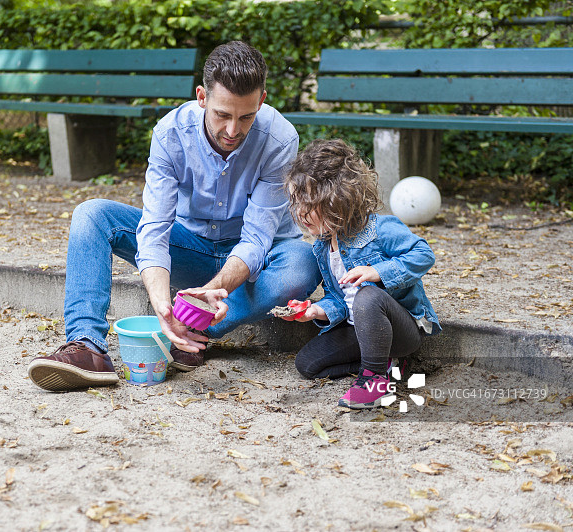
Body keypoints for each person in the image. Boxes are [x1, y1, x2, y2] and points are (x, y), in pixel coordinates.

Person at [28, 41, 322, 392]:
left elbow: (257, 239)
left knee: (304, 262)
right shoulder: (170, 134)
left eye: (245, 117)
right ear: (202, 97)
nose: (232, 130)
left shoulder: (279, 137)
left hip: (255, 266)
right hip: (190, 247)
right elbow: (154, 229)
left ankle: (196, 330)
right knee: (92, 215)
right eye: (222, 115)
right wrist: (165, 310)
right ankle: (88, 347)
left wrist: (201, 301)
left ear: (261, 101)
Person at [279, 138, 441, 409]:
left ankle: (374, 380)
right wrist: (315, 311)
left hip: (400, 329)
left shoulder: (379, 229)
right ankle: (382, 365)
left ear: (337, 200)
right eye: (296, 202)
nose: (300, 213)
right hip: (362, 331)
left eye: (309, 204)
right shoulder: (321, 247)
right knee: (307, 364)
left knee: (368, 297)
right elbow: (339, 298)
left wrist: (377, 271)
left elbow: (423, 254)